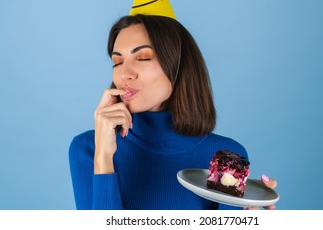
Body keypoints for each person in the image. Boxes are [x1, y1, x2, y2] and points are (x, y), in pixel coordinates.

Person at [69, 14, 277, 210]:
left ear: (178, 66)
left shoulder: (226, 158)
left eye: (142, 58)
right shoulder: (88, 149)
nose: (124, 74)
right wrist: (103, 157)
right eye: (117, 61)